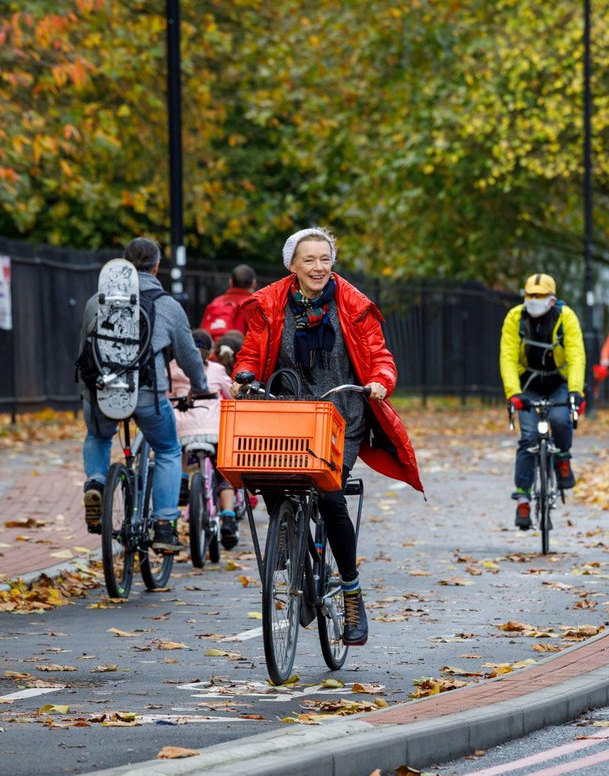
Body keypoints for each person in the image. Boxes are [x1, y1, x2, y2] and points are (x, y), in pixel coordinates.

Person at [233, 227, 423, 646]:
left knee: (331, 497)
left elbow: (379, 355)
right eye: (309, 260)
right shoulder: (271, 303)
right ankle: (293, 543)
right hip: (289, 414)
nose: (318, 267)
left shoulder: (353, 304)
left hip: (341, 416)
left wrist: (380, 380)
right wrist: (243, 375)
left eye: (325, 259)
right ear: (292, 265)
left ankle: (351, 592)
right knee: (269, 477)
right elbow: (251, 352)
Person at [80, 237, 210, 553]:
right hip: (148, 396)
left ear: (124, 263)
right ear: (156, 266)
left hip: (102, 392)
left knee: (98, 436)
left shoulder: (97, 300)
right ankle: (164, 525)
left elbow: (84, 350)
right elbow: (188, 355)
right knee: (167, 449)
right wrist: (199, 385)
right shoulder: (167, 305)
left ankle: (96, 482)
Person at [499, 273, 586, 531]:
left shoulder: (566, 317)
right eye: (530, 295)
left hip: (559, 381)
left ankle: (563, 459)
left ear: (552, 299)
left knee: (560, 420)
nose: (533, 300)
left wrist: (575, 391)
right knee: (528, 438)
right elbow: (507, 356)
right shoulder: (515, 317)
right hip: (528, 384)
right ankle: (523, 499)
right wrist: (514, 393)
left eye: (539, 296)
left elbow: (576, 354)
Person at [169, 330, 241, 549]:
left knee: (177, 446)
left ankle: (182, 482)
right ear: (210, 352)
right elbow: (232, 395)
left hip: (182, 429)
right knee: (223, 469)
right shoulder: (217, 370)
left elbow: (167, 397)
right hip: (213, 430)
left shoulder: (173, 368)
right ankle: (228, 516)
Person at [200, 264, 257, 340]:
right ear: (253, 283)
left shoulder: (216, 302)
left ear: (230, 282)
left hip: (214, 346)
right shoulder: (253, 305)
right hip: (238, 346)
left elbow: (203, 332)